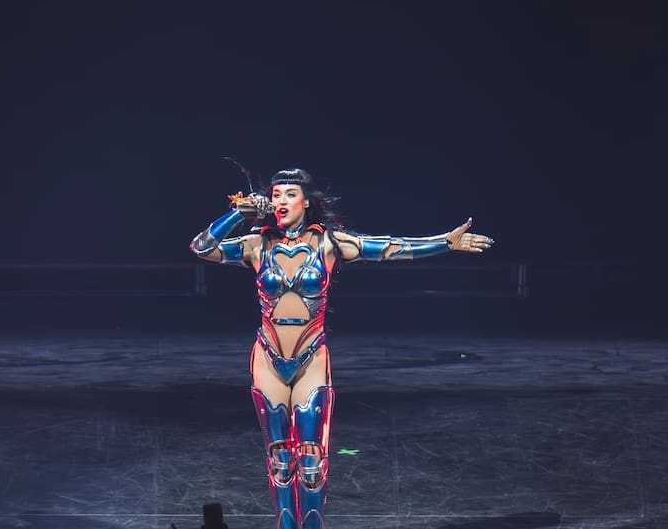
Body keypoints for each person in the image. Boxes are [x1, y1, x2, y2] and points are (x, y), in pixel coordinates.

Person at [189, 168, 493, 529]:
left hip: (311, 358)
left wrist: (444, 242)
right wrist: (238, 214)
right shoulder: (257, 245)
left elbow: (390, 248)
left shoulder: (329, 243)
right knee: (280, 461)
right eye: (276, 194)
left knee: (311, 463)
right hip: (268, 358)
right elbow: (201, 247)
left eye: (289, 194)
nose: (280, 201)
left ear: (307, 202)